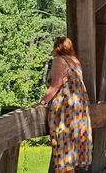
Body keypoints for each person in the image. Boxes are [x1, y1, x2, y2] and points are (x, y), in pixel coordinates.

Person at [39, 37, 93, 173]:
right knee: (74, 140)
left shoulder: (59, 61)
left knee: (63, 139)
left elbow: (55, 85)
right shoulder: (75, 61)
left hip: (66, 105)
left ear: (57, 47)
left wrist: (43, 101)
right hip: (79, 104)